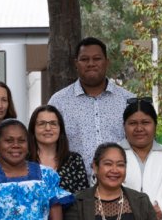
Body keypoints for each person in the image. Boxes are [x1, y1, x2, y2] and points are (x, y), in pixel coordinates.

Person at [48, 37, 135, 184]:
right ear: (76, 63)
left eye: (97, 59)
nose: (91, 64)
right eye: (84, 59)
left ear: (107, 62)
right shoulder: (59, 102)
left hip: (121, 186)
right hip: (75, 189)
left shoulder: (128, 100)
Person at [29, 104, 91, 194]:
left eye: (53, 123)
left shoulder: (74, 160)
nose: (48, 128)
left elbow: (83, 198)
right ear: (33, 129)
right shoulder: (23, 160)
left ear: (60, 129)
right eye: (41, 124)